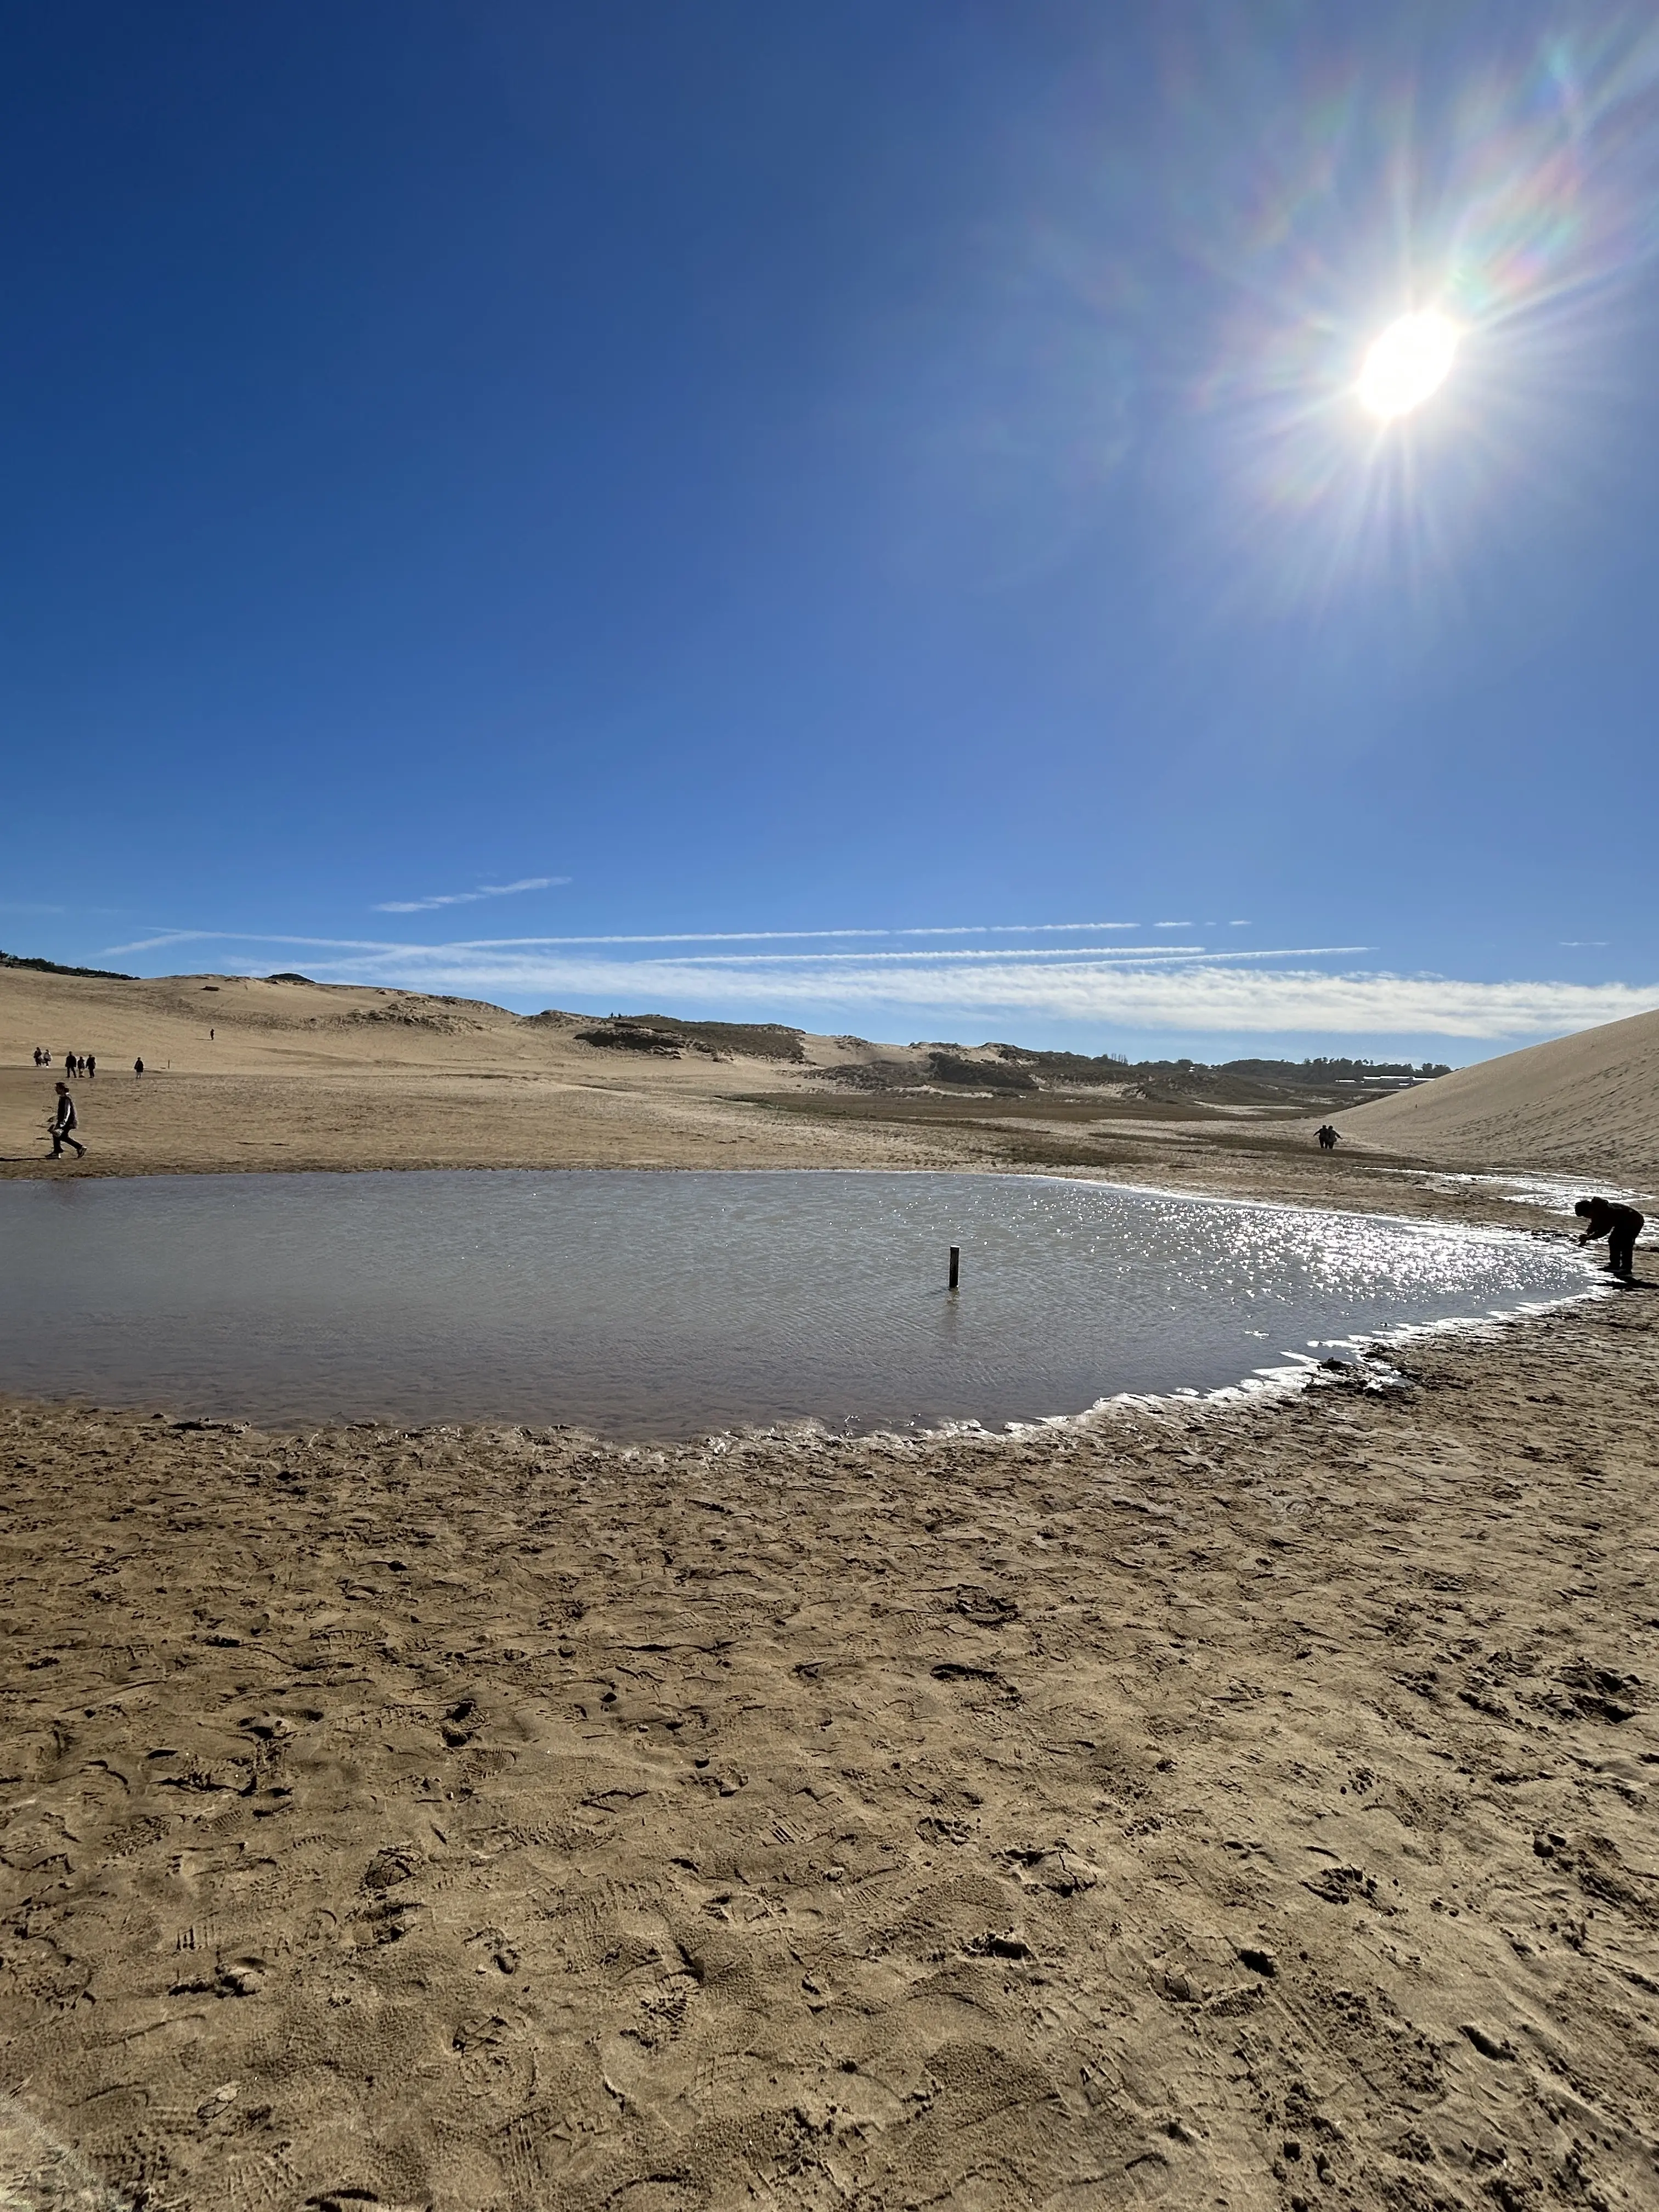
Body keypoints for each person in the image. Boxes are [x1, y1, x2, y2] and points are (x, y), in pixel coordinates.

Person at [1575, 1196, 1644, 1280]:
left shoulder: (1605, 1212)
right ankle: (1615, 1265)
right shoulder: (1598, 1209)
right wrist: (1587, 1233)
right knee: (1614, 1241)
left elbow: (1603, 1231)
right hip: (1624, 1222)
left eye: (1586, 1215)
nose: (1588, 1217)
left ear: (1589, 1210)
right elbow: (1594, 1224)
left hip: (1634, 1221)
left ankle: (1626, 1269)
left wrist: (1588, 1238)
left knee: (1625, 1243)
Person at [49, 1081, 84, 1160]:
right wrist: (55, 1118)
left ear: (62, 1089)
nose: (56, 1090)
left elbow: (67, 1112)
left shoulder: (66, 1098)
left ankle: (79, 1148)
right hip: (67, 1121)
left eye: (57, 1088)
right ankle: (57, 1152)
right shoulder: (64, 1097)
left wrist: (62, 1123)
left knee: (60, 1135)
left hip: (69, 1122)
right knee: (58, 1135)